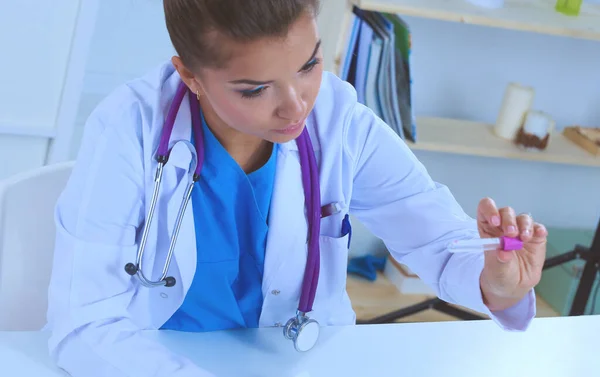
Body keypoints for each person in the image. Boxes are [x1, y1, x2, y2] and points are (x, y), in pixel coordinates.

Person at [44, 0, 548, 376]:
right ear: (191, 76)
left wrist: (495, 284)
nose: (296, 106)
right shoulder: (127, 129)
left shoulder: (340, 122)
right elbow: (86, 322)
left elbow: (437, 239)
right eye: (254, 89)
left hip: (299, 359)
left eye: (309, 65)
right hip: (154, 361)